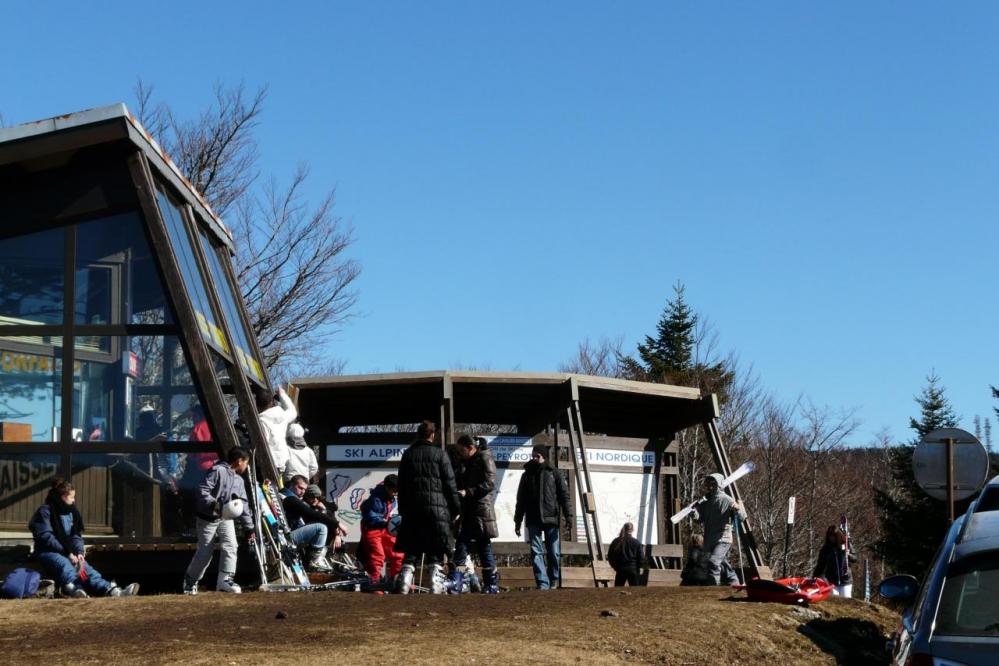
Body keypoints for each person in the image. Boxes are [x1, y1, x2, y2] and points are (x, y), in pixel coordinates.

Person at [29, 478, 139, 598]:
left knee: (86, 569)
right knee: (64, 564)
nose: (74, 500)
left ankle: (112, 591)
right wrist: (67, 552)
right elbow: (46, 536)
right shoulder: (45, 511)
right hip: (48, 551)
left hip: (68, 551)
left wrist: (79, 552)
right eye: (71, 497)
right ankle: (75, 590)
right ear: (62, 496)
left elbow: (76, 535)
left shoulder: (72, 512)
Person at [393, 420, 461, 594]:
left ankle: (404, 581)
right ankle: (435, 582)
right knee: (435, 548)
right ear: (432, 435)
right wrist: (456, 509)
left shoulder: (408, 455)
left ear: (418, 434)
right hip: (437, 509)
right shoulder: (440, 454)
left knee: (412, 548)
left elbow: (402, 485)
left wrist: (403, 509)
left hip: (413, 509)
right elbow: (450, 485)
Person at [182, 447, 255, 595]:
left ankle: (225, 580)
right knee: (205, 552)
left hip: (225, 517)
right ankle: (190, 581)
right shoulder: (217, 471)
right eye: (246, 463)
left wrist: (249, 528)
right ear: (239, 461)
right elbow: (202, 490)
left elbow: (244, 504)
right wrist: (214, 504)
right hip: (207, 518)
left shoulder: (239, 480)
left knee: (231, 545)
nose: (246, 467)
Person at [514, 444, 572, 590]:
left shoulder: (554, 473)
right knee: (536, 552)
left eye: (537, 456)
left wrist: (568, 516)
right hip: (533, 519)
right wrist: (518, 520)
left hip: (551, 518)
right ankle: (542, 583)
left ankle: (554, 580)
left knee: (554, 552)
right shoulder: (526, 475)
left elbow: (564, 496)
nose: (534, 458)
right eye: (533, 455)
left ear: (544, 457)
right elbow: (521, 500)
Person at [453, 435, 499, 593]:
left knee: (483, 547)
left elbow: (490, 483)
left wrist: (469, 491)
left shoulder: (485, 458)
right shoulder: (468, 462)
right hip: (469, 511)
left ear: (471, 448)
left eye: (462, 450)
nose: (460, 453)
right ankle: (459, 582)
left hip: (481, 511)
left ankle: (491, 584)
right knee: (461, 547)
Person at [691, 472, 745, 586]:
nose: (710, 486)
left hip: (723, 538)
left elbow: (742, 517)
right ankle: (733, 581)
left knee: (713, 562)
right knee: (721, 562)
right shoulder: (706, 501)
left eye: (713, 483)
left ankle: (713, 588)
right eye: (709, 484)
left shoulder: (727, 499)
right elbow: (700, 519)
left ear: (719, 484)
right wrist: (694, 513)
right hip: (710, 538)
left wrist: (738, 509)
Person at [280, 475, 335, 572]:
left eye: (305, 490)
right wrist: (337, 524)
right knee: (321, 527)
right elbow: (310, 513)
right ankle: (314, 562)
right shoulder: (288, 498)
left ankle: (312, 561)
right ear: (292, 485)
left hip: (292, 534)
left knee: (324, 526)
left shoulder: (295, 498)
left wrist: (325, 512)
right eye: (300, 488)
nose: (302, 492)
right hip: (286, 538)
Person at [359, 474, 404, 590]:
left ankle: (396, 580)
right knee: (378, 555)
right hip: (372, 529)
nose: (396, 493)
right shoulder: (376, 499)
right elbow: (371, 517)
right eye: (394, 490)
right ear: (388, 488)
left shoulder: (389, 497)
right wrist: (386, 521)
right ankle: (375, 583)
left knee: (398, 552)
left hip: (383, 528)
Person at [254, 384, 297, 479]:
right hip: (282, 462)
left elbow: (262, 446)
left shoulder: (261, 421)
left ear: (256, 404)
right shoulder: (282, 416)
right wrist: (282, 395)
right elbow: (293, 411)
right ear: (272, 402)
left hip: (268, 464)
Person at [812, 525, 856, 597]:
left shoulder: (845, 544)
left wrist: (848, 555)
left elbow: (855, 558)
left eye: (834, 536)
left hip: (845, 580)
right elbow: (820, 565)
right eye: (830, 536)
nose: (832, 538)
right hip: (831, 581)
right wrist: (815, 577)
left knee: (846, 600)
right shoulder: (825, 549)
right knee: (834, 601)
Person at [607, 522, 644, 587]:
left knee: (618, 591)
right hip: (633, 569)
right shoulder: (636, 542)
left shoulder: (616, 541)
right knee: (635, 592)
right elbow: (641, 558)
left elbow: (610, 556)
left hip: (620, 569)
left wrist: (615, 567)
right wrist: (638, 567)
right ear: (632, 530)